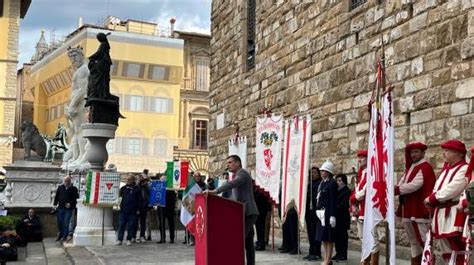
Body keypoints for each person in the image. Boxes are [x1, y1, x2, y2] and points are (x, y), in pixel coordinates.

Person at [204, 155, 259, 265]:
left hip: (249, 213)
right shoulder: (235, 176)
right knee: (248, 242)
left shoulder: (242, 173)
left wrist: (215, 191)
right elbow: (230, 195)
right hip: (243, 213)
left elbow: (232, 184)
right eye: (227, 163)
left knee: (238, 240)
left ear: (238, 163)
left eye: (230, 162)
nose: (227, 165)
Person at [424, 140, 469, 265]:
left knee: (457, 248)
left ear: (457, 153)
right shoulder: (446, 169)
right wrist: (431, 199)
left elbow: (453, 188)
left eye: (447, 151)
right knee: (446, 249)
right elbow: (437, 187)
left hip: (453, 214)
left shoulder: (464, 168)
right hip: (441, 214)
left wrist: (433, 198)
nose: (444, 154)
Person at [394, 142, 436, 265]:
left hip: (419, 210)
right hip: (408, 209)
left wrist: (395, 190)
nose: (413, 154)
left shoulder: (425, 167)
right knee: (413, 241)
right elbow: (403, 182)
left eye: (416, 152)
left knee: (424, 241)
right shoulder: (410, 168)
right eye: (412, 152)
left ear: (423, 153)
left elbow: (415, 185)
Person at [315, 160, 337, 265]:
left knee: (329, 238)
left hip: (328, 213)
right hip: (321, 213)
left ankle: (328, 259)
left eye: (323, 171)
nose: (321, 172)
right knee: (323, 237)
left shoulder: (332, 184)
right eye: (321, 171)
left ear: (328, 172)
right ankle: (325, 258)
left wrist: (332, 215)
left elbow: (333, 200)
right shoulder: (322, 183)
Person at [116, 174, 142, 246]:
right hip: (123, 210)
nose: (127, 181)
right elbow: (120, 198)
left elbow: (140, 200)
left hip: (133, 211)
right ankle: (119, 239)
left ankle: (129, 239)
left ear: (133, 180)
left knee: (131, 226)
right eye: (127, 179)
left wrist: (138, 209)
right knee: (121, 225)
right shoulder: (123, 188)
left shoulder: (137, 189)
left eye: (129, 179)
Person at [303, 166, 322, 261]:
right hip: (309, 212)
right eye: (311, 173)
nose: (313, 175)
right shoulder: (309, 184)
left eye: (314, 173)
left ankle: (316, 252)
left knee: (315, 233)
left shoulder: (319, 184)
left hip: (315, 212)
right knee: (310, 233)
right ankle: (311, 251)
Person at [53, 176, 79, 241]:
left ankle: (65, 236)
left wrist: (70, 203)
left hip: (69, 208)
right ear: (63, 181)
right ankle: (60, 234)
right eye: (65, 181)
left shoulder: (74, 188)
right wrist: (54, 205)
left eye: (68, 181)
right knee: (60, 222)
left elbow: (76, 198)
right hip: (60, 207)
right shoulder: (60, 187)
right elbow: (56, 197)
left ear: (70, 181)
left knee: (66, 222)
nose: (66, 182)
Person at [333, 174, 351, 262]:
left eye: (340, 181)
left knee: (342, 237)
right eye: (337, 181)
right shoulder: (336, 191)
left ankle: (343, 254)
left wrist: (334, 207)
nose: (338, 183)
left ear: (344, 181)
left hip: (343, 217)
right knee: (336, 236)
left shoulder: (346, 191)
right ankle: (338, 253)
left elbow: (344, 204)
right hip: (337, 217)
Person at [136, 174, 150, 243]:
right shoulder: (137, 187)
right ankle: (133, 236)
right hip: (137, 206)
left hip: (144, 206)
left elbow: (149, 194)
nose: (144, 182)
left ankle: (142, 236)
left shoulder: (146, 187)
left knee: (143, 222)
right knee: (135, 222)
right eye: (142, 181)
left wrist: (146, 185)